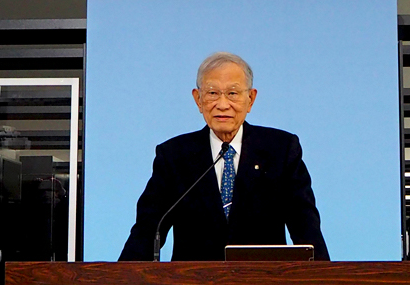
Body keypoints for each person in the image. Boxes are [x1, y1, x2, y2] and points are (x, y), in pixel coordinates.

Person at [119, 52, 329, 261]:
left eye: (232, 93)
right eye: (212, 93)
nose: (222, 104)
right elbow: (147, 231)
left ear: (251, 98)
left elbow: (306, 228)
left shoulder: (280, 150)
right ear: (198, 99)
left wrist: (324, 284)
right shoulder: (175, 155)